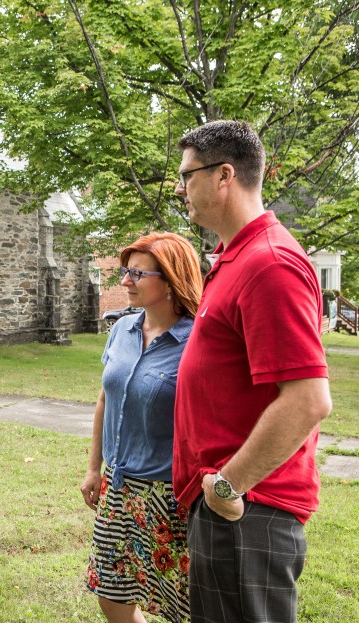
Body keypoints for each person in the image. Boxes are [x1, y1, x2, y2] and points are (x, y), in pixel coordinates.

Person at [172, 120, 332, 623]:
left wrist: (227, 486)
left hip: (249, 509)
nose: (178, 188)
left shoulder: (270, 264)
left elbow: (308, 399)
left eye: (187, 175)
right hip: (231, 506)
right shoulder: (234, 259)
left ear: (224, 176)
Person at [81, 232, 203, 623]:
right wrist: (93, 468)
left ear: (170, 281)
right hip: (117, 489)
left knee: (180, 605)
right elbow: (105, 399)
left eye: (137, 273)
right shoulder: (122, 329)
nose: (125, 281)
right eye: (126, 271)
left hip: (169, 496)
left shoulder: (198, 342)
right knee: (111, 596)